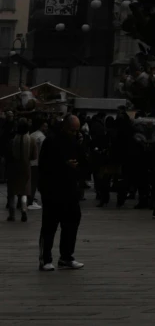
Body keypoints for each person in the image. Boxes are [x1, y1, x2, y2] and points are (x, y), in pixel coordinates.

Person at [37, 114, 86, 271]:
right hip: (53, 190)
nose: (75, 133)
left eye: (77, 131)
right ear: (65, 127)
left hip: (70, 190)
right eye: (72, 130)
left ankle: (66, 256)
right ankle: (45, 259)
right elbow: (45, 165)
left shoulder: (75, 142)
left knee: (71, 222)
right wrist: (64, 165)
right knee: (50, 225)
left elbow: (83, 163)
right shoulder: (51, 141)